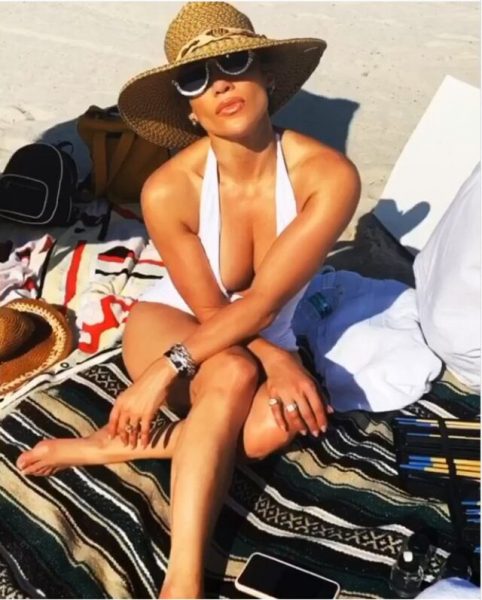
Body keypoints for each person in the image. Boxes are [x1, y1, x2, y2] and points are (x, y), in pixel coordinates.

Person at [16, 2, 361, 598]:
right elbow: (209, 311)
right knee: (230, 371)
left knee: (270, 430)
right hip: (178, 319)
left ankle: (103, 449)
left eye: (234, 61)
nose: (220, 84)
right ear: (189, 109)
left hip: (257, 329)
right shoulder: (169, 189)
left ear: (267, 75)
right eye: (196, 77)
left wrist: (270, 357)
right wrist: (236, 362)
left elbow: (263, 306)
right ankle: (184, 579)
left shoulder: (327, 176)